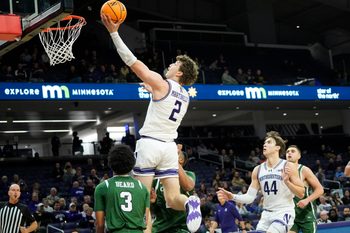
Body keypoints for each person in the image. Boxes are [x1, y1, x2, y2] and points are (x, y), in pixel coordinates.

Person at [101, 13, 201, 232]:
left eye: (175, 63)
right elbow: (163, 102)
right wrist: (153, 89)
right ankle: (190, 202)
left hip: (151, 145)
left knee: (142, 199)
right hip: (168, 148)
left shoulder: (163, 84)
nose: (172, 64)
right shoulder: (185, 96)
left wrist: (114, 34)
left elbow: (132, 62)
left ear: (180, 72)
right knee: (174, 198)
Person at [217, 131, 305, 233]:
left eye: (269, 142)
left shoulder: (288, 166)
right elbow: (250, 197)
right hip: (266, 214)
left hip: (284, 212)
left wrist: (288, 182)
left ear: (277, 148)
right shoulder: (257, 170)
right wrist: (232, 196)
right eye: (264, 143)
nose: (265, 144)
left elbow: (301, 193)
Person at [94, 144, 150, 233]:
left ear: (111, 162)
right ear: (131, 163)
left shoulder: (103, 187)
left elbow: (100, 224)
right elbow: (146, 221)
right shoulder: (142, 187)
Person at [151, 144, 196, 233]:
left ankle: (192, 205)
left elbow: (188, 186)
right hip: (160, 227)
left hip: (181, 226)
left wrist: (173, 159)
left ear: (181, 159)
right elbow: (156, 210)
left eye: (174, 154)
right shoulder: (156, 179)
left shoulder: (189, 174)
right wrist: (154, 202)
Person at [286, 145, 324, 233]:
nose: (289, 153)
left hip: (307, 213)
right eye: (287, 151)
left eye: (292, 151)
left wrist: (307, 200)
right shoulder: (282, 171)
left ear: (299, 156)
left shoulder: (304, 170)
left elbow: (320, 189)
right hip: (291, 214)